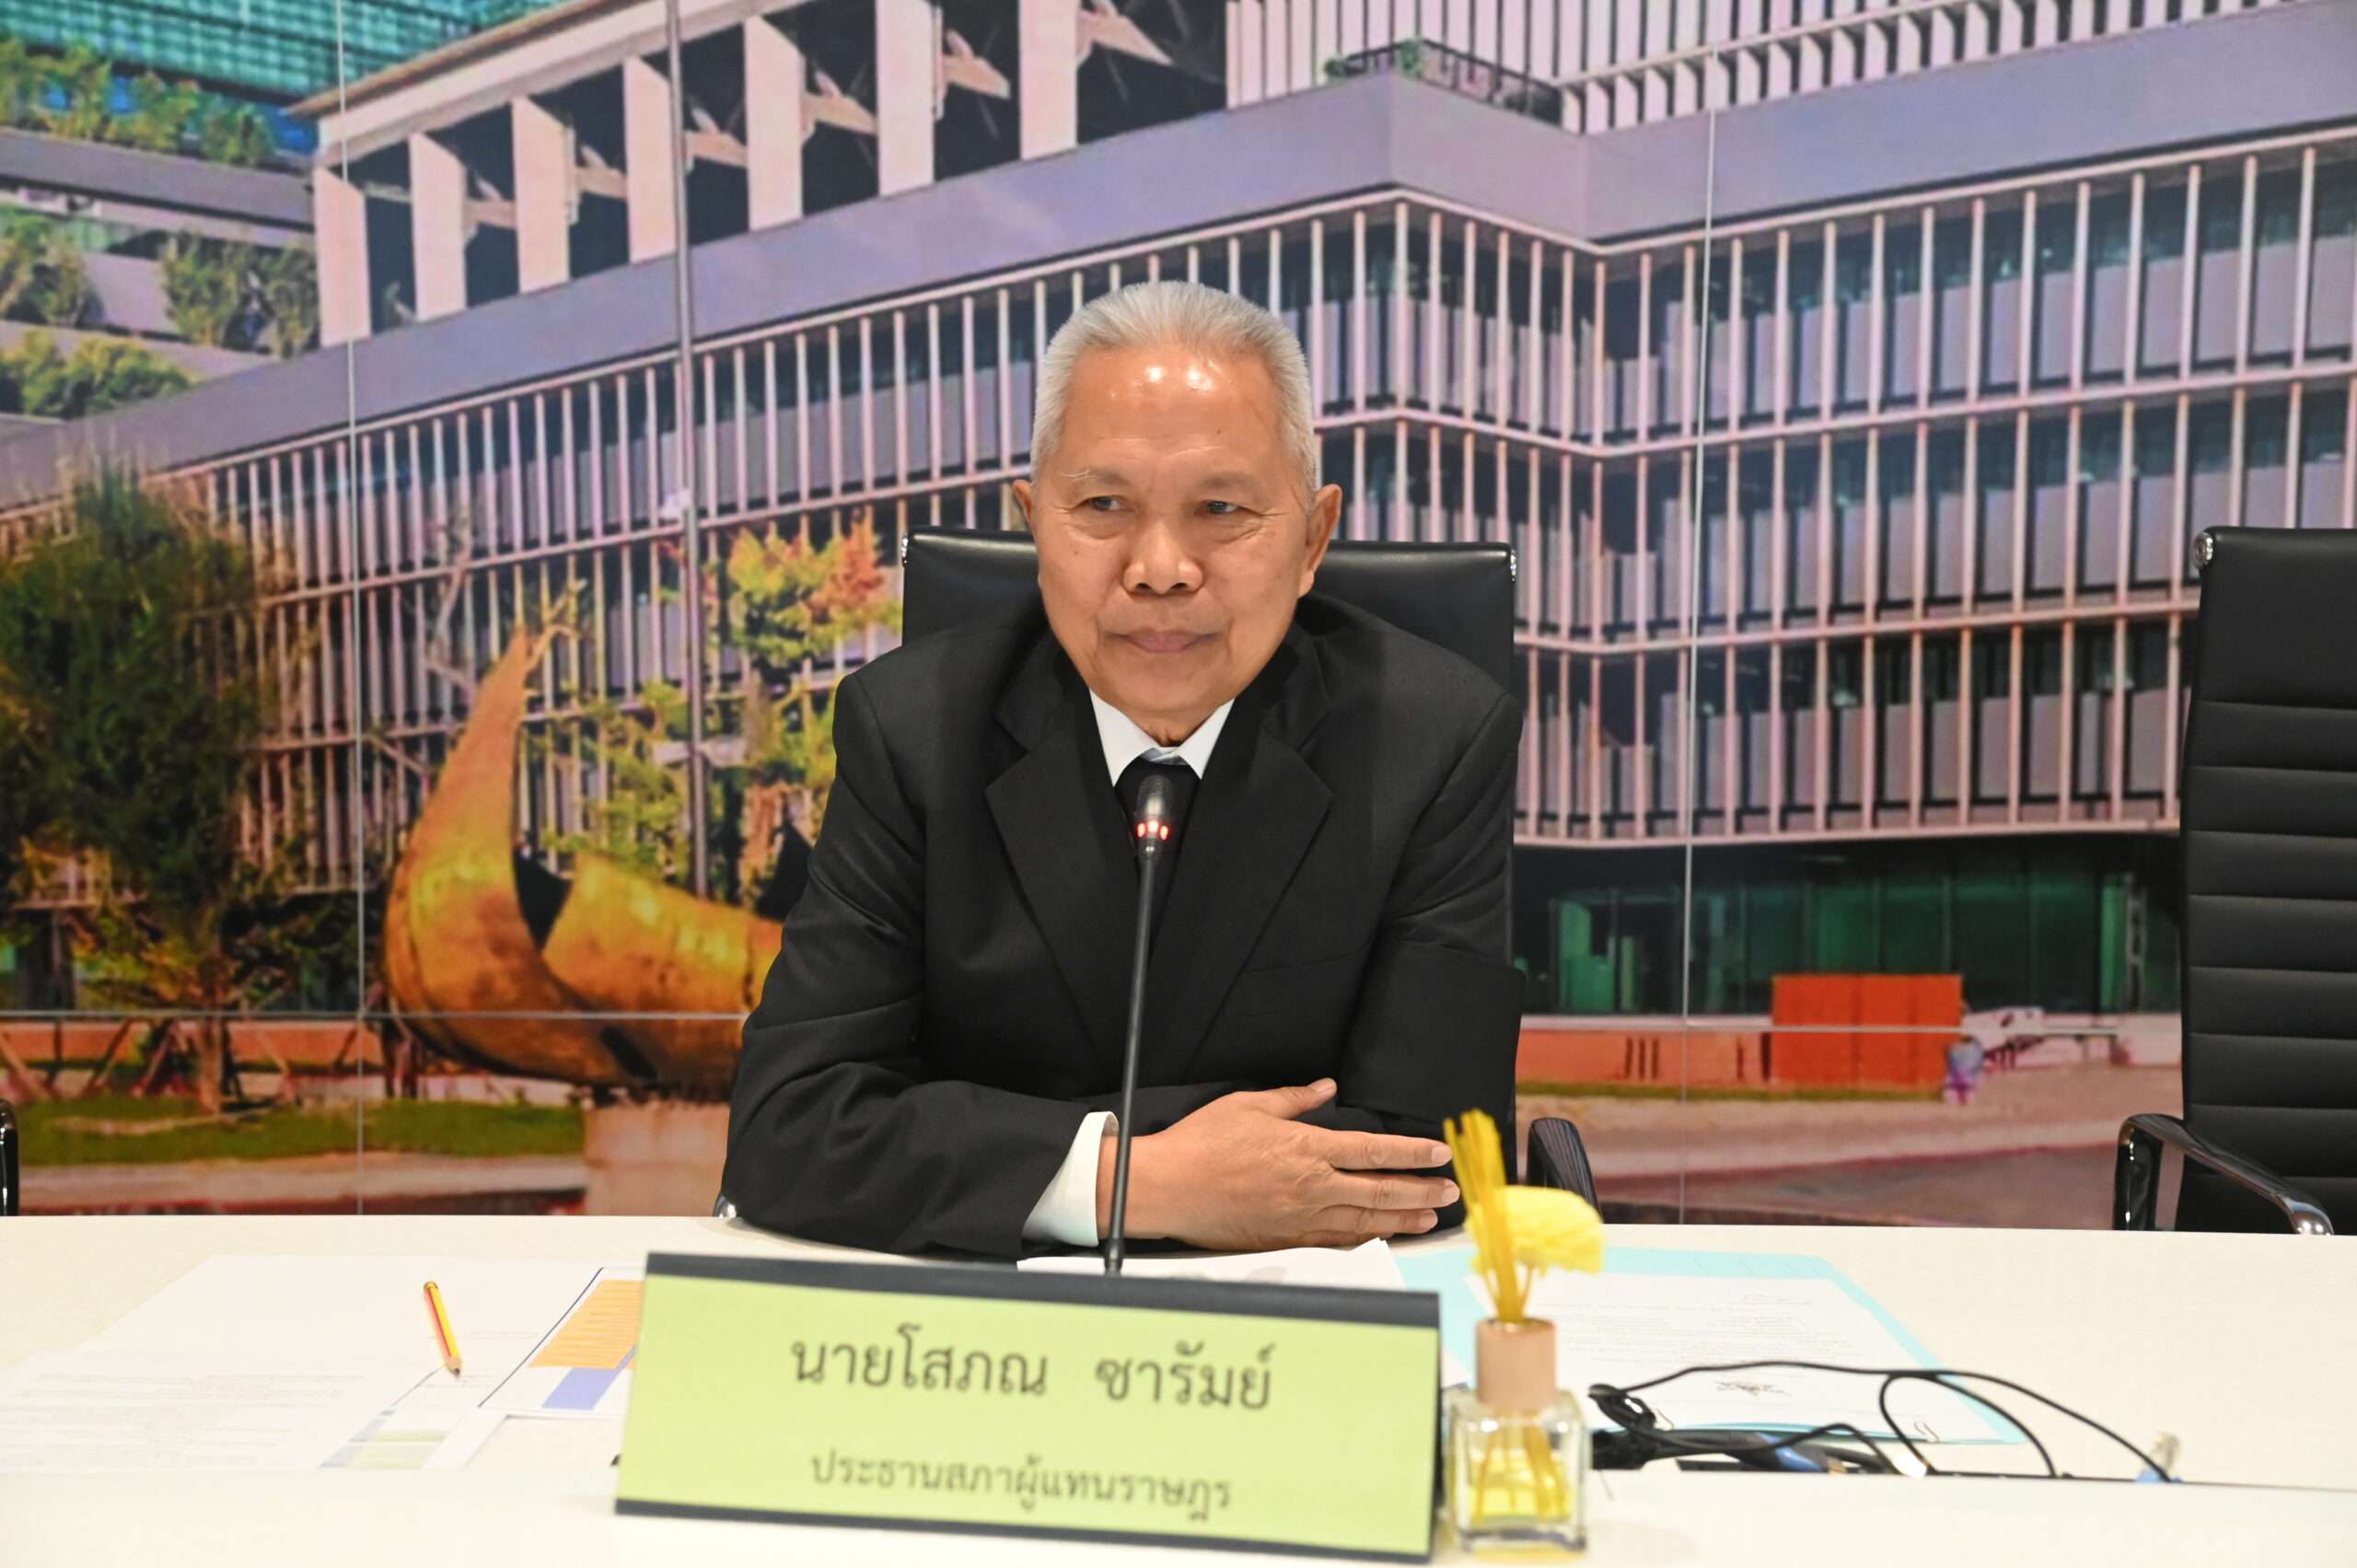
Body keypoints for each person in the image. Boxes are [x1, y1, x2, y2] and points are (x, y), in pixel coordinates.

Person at [724, 281, 1523, 1257]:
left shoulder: (1431, 738)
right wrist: (1143, 1182)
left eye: (1220, 508)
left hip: (1299, 1315)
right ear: (1033, 523)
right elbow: (790, 1129)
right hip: (984, 1319)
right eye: (1104, 505)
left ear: (1312, 538)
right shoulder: (914, 730)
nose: (1159, 567)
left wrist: (989, 1142)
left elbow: (1432, 1155)